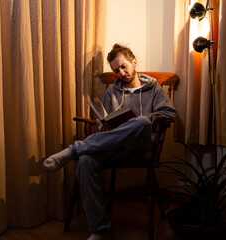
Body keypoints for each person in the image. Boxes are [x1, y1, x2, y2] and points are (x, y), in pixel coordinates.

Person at [43, 44, 176, 240]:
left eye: (124, 67)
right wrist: (105, 125)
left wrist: (148, 118)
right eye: (116, 71)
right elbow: (102, 122)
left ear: (134, 62)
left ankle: (74, 150)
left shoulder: (154, 88)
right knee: (86, 161)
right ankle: (99, 229)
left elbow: (169, 114)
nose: (121, 73)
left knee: (141, 121)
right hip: (114, 145)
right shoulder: (112, 92)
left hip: (141, 144)